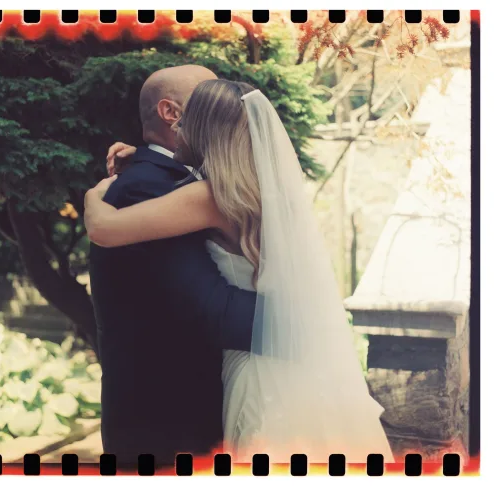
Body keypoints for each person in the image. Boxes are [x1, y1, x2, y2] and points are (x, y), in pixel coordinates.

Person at [85, 79, 395, 463]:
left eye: (186, 123)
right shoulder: (265, 189)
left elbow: (103, 229)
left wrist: (93, 196)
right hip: (299, 368)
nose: (178, 128)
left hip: (255, 370)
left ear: (201, 130)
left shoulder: (207, 197)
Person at [87, 66, 258, 468]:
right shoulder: (149, 186)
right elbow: (211, 311)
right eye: (207, 98)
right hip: (166, 424)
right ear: (171, 113)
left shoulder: (187, 180)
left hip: (184, 418)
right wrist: (303, 325)